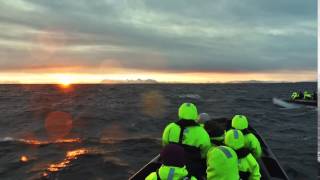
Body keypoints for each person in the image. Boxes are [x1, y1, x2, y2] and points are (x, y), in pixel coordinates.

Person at [162, 103, 211, 179]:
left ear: (180, 113)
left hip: (171, 164)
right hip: (193, 167)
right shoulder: (202, 132)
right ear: (195, 114)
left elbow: (165, 144)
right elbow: (206, 150)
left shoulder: (170, 127)